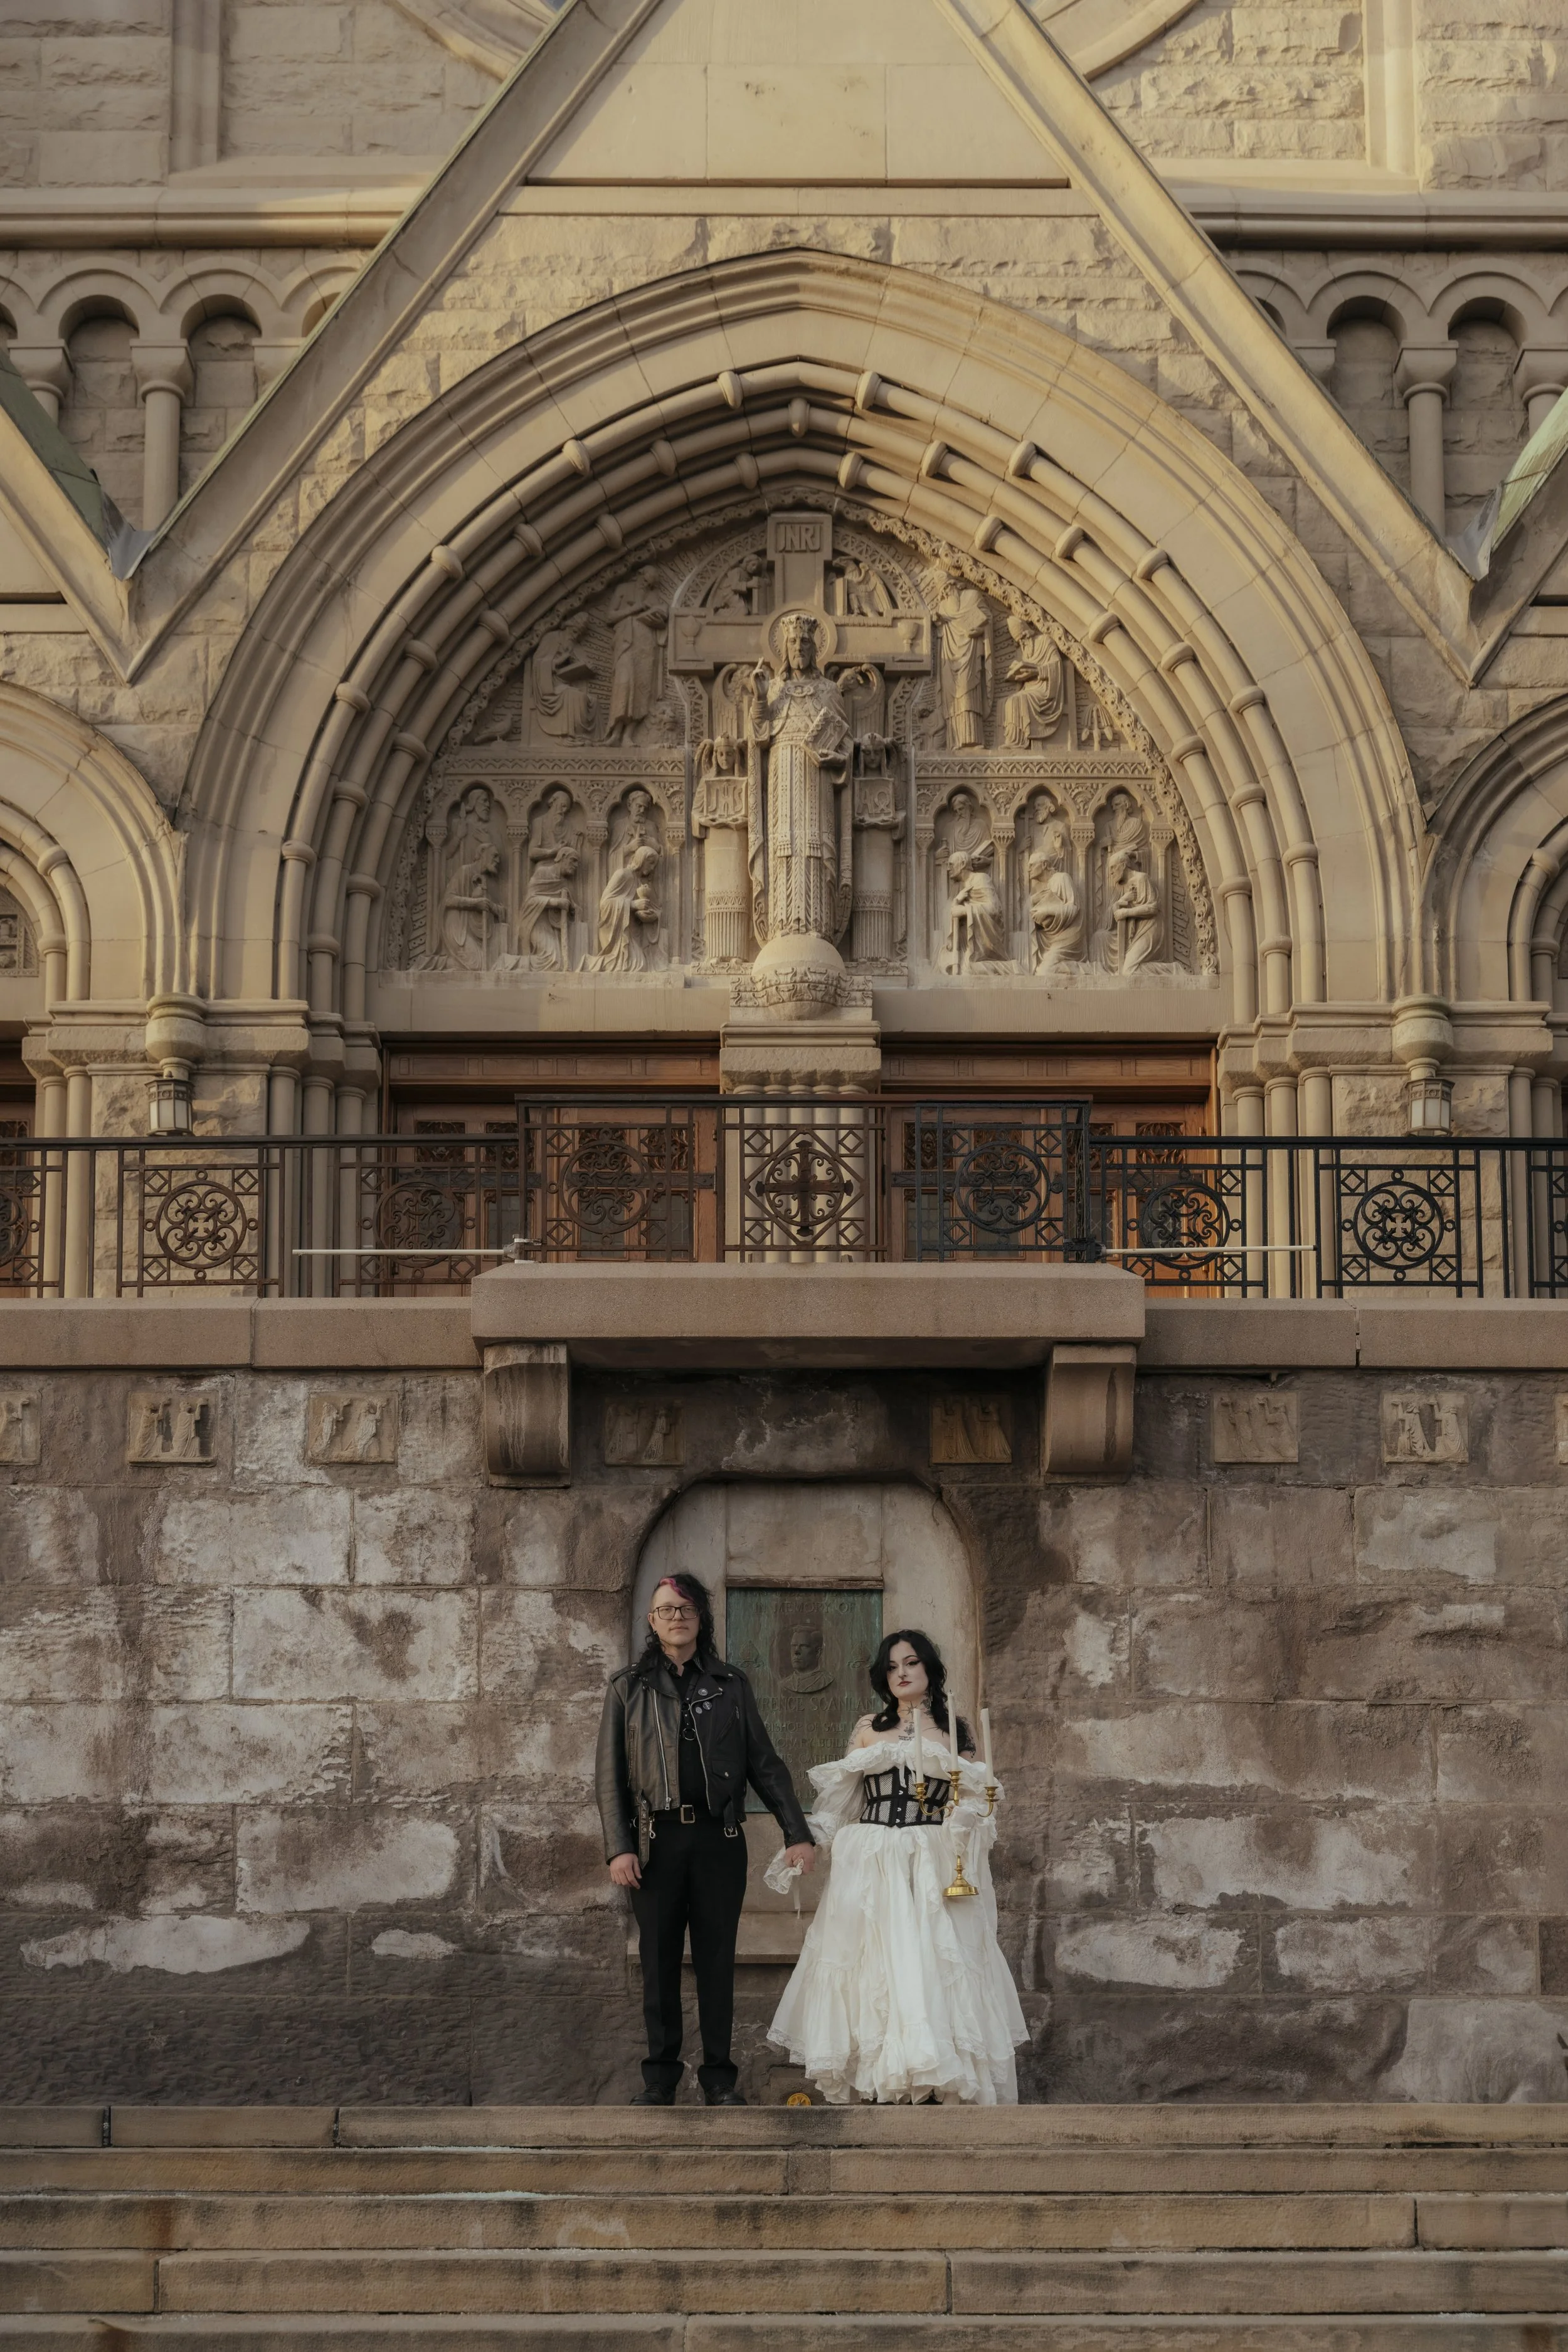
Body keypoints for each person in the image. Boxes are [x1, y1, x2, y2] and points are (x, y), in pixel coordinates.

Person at [766, 1628, 1027, 2106]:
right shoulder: (869, 1728)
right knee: (877, 1966)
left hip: (930, 1857)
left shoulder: (954, 1728)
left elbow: (976, 1798)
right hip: (871, 1859)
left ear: (929, 1668)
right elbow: (842, 1801)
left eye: (910, 1663)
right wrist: (807, 1840)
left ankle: (935, 2078)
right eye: (891, 1667)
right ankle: (880, 2079)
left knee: (931, 1961)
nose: (901, 1673)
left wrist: (967, 1818)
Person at [596, 1572, 816, 2106]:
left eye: (687, 1609)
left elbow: (765, 1764)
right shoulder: (628, 1687)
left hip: (720, 1840)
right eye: (667, 1610)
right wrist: (619, 1846)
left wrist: (797, 1832)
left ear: (701, 1618)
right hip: (656, 1844)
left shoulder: (731, 1684)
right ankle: (660, 2079)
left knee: (717, 1962)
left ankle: (720, 2080)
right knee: (659, 1963)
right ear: (652, 1621)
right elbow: (610, 1777)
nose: (677, 1617)